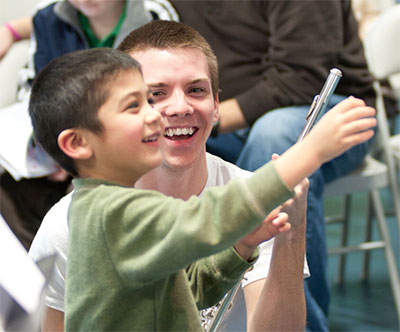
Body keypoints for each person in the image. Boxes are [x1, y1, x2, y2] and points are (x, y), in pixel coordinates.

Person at [28, 42, 376, 331]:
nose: (156, 114)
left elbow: (185, 292)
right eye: (136, 105)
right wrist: (310, 152)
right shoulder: (111, 213)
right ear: (78, 144)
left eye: (195, 90)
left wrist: (240, 245)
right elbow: (209, 216)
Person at [165, 1, 378, 330]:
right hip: (221, 112)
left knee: (274, 141)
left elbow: (301, 79)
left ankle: (298, 321)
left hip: (320, 109)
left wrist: (203, 118)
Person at [0, 0, 152, 250]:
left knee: (89, 196)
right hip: (61, 148)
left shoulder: (153, 15)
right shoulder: (48, 19)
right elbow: (38, 92)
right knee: (8, 195)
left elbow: (154, 99)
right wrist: (53, 151)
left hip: (121, 149)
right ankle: (41, 279)